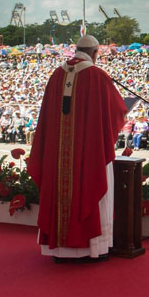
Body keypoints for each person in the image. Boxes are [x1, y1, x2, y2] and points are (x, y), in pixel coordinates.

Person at [28, 35, 129, 263]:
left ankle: (59, 251)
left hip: (57, 156)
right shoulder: (96, 75)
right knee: (90, 187)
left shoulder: (56, 75)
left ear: (77, 50)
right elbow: (117, 111)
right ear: (95, 53)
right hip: (87, 152)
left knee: (59, 193)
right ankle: (91, 249)